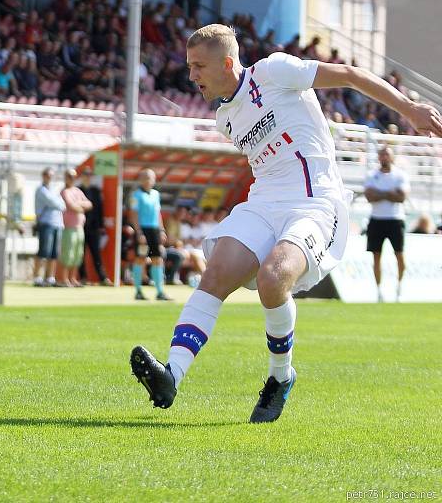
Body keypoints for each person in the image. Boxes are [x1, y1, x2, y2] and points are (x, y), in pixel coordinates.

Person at [130, 23, 442, 423]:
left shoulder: (274, 71)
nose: (191, 76)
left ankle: (281, 377)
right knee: (217, 272)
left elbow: (348, 75)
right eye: (190, 67)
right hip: (264, 202)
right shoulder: (225, 118)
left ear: (227, 63)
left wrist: (409, 109)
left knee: (273, 278)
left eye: (198, 67)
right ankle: (171, 374)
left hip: (314, 201)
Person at [364, 146, 410, 302]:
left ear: (392, 157)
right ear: (378, 157)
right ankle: (378, 291)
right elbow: (369, 196)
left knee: (400, 256)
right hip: (377, 220)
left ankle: (399, 288)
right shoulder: (372, 175)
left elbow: (402, 197)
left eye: (387, 154)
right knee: (376, 256)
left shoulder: (400, 175)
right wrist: (390, 194)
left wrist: (380, 194)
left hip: (395, 219)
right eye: (382, 154)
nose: (384, 157)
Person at [128, 169, 172, 301]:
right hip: (143, 230)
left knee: (157, 259)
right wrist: (139, 232)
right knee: (140, 258)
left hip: (154, 231)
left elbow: (158, 213)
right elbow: (133, 215)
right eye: (146, 178)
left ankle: (159, 291)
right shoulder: (135, 195)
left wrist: (162, 230)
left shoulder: (156, 194)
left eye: (151, 178)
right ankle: (138, 291)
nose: (148, 180)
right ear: (141, 180)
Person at [33, 167, 65, 287]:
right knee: (43, 251)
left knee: (54, 253)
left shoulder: (54, 189)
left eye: (51, 175)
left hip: (58, 223)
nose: (49, 177)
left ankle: (50, 277)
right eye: (47, 175)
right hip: (46, 223)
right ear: (44, 176)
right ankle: (37, 277)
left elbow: (63, 205)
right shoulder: (41, 190)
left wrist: (58, 203)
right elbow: (56, 203)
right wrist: (58, 203)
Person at [78, 167, 111, 285]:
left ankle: (103, 278)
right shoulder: (78, 190)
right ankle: (82, 277)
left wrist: (101, 225)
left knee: (96, 254)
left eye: (89, 175)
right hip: (81, 226)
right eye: (85, 174)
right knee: (80, 254)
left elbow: (100, 209)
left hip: (94, 227)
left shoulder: (96, 191)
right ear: (82, 176)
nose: (87, 177)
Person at [60, 169, 92, 287]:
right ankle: (64, 279)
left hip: (80, 227)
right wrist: (80, 205)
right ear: (66, 178)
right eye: (69, 176)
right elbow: (71, 206)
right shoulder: (65, 191)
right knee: (68, 253)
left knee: (78, 254)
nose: (72, 178)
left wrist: (79, 205)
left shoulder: (77, 191)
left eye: (73, 176)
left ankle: (73, 278)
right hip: (69, 227)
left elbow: (89, 204)